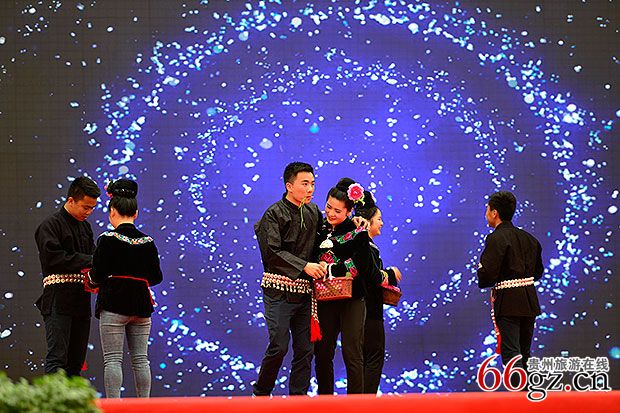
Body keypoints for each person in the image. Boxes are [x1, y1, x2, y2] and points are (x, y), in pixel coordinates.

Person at [253, 162, 327, 396]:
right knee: (279, 346)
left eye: (312, 184)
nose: (310, 189)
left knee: (305, 349)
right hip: (278, 292)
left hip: (305, 293)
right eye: (304, 184)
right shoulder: (273, 214)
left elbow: (325, 239)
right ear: (289, 186)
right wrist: (304, 266)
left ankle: (298, 400)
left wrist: (350, 225)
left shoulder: (313, 211)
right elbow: (271, 252)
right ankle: (261, 394)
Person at [90, 179, 163, 398]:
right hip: (141, 306)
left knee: (113, 359)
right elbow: (156, 277)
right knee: (141, 359)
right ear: (136, 213)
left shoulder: (106, 239)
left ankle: (114, 408)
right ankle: (144, 406)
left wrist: (92, 280)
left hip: (113, 304)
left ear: (112, 211)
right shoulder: (148, 241)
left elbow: (97, 275)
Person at [314, 178, 382, 395]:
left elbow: (361, 267)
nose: (331, 213)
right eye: (328, 207)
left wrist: (330, 269)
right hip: (325, 300)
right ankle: (325, 403)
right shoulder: (318, 228)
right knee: (322, 353)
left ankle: (355, 406)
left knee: (352, 354)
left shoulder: (358, 231)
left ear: (349, 211)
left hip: (353, 300)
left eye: (338, 210)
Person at [35, 176, 101, 376]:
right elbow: (54, 259)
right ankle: (54, 397)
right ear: (71, 200)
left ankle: (73, 396)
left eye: (92, 208)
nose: (88, 212)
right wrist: (91, 260)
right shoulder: (50, 225)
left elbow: (94, 255)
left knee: (76, 362)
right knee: (57, 359)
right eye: (85, 207)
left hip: (81, 300)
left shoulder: (85, 227)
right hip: (58, 298)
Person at [477, 191, 543, 379]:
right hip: (529, 301)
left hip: (508, 302)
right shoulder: (530, 239)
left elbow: (487, 275)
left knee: (512, 355)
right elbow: (538, 272)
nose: (486, 214)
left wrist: (481, 269)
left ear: (494, 213)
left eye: (487, 210)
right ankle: (529, 393)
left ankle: (518, 394)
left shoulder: (496, 238)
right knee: (525, 353)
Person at [354, 191, 402, 394]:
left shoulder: (363, 245)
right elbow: (372, 277)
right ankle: (365, 404)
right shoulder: (366, 247)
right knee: (373, 359)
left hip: (361, 312)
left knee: (363, 360)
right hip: (369, 312)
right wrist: (390, 274)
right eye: (379, 219)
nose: (382, 223)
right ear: (367, 222)